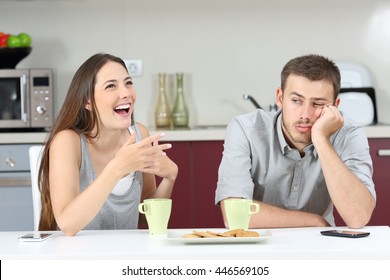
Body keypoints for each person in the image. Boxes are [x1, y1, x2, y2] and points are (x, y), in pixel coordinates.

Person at [215, 54, 376, 229]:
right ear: (280, 98)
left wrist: (321, 139)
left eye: (318, 104)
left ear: (335, 106)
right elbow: (234, 215)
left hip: (319, 245)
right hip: (257, 245)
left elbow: (358, 217)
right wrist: (314, 221)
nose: (305, 114)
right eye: (296, 101)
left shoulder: (348, 134)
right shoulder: (245, 129)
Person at [37, 53, 178, 236]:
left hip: (125, 255)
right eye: (111, 86)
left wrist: (170, 178)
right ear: (87, 101)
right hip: (76, 258)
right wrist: (117, 168)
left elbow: (144, 215)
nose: (126, 93)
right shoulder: (67, 141)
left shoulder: (139, 135)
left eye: (128, 83)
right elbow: (68, 224)